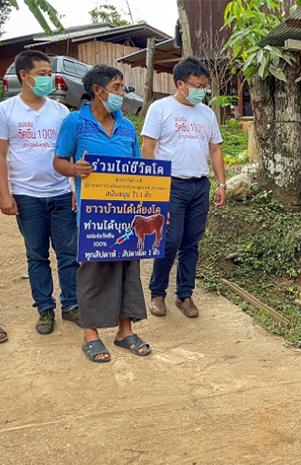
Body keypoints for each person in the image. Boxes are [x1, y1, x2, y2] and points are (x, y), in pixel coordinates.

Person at [54, 64, 150, 363]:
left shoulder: (127, 126)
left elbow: (139, 171)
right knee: (94, 273)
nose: (123, 94)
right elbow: (59, 161)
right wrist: (74, 169)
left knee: (127, 270)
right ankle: (91, 334)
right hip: (94, 216)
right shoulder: (75, 122)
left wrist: (152, 207)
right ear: (99, 90)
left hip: (126, 213)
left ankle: (125, 331)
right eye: (118, 87)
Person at [0, 50, 79, 336]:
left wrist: (74, 188)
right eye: (43, 74)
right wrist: (5, 195)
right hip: (26, 195)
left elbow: (69, 152)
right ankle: (45, 308)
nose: (49, 79)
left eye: (49, 74)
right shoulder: (6, 111)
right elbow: (1, 156)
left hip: (60, 193)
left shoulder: (59, 112)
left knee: (69, 254)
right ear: (24, 75)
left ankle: (71, 305)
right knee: (37, 255)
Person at [141, 57, 226, 318]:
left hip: (199, 186)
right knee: (169, 239)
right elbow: (148, 146)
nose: (202, 89)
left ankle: (185, 295)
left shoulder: (207, 113)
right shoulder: (160, 109)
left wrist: (221, 183)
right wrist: (155, 187)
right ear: (180, 83)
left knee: (191, 242)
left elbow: (215, 148)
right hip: (171, 185)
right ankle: (158, 293)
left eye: (204, 85)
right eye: (196, 84)